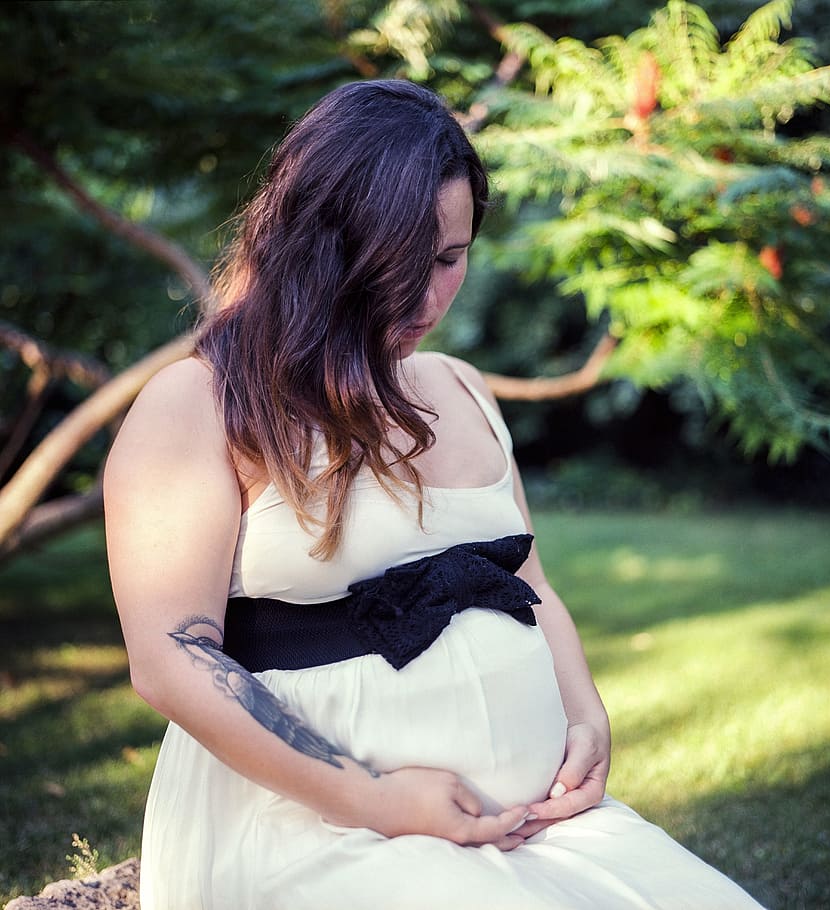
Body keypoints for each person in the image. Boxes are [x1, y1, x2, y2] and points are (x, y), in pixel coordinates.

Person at [104, 80, 766, 910]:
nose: (427, 298)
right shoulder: (200, 403)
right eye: (397, 267)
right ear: (318, 246)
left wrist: (586, 716)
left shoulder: (459, 386)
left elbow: (524, 580)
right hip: (311, 830)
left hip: (535, 822)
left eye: (450, 259)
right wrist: (374, 798)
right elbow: (171, 660)